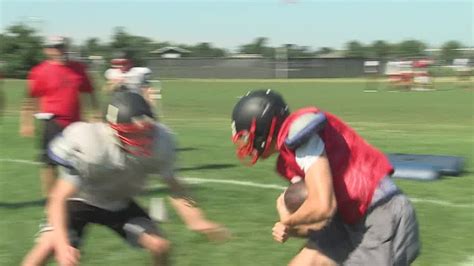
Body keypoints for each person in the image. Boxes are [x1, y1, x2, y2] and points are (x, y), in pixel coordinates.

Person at [22, 91, 229, 266]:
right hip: (79, 201)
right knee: (46, 246)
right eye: (132, 133)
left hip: (119, 204)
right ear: (112, 129)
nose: (142, 139)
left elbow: (175, 187)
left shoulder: (161, 141)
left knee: (160, 245)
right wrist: (61, 245)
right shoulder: (90, 143)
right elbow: (58, 198)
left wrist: (196, 220)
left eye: (146, 131)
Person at [230, 89, 420, 266]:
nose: (246, 143)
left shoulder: (301, 134)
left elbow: (324, 207)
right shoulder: (287, 161)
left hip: (380, 214)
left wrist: (287, 221)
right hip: (347, 220)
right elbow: (319, 222)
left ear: (264, 128)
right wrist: (290, 228)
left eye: (247, 136)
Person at [19, 36, 98, 198]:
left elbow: (90, 93)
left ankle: (79, 197)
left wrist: (95, 114)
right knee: (49, 164)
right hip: (52, 122)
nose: (58, 50)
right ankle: (51, 200)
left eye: (60, 46)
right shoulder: (39, 71)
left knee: (82, 162)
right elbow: (30, 98)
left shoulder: (78, 68)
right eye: (53, 47)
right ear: (46, 50)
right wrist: (26, 122)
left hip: (76, 125)